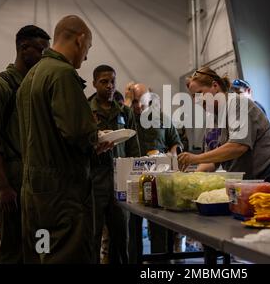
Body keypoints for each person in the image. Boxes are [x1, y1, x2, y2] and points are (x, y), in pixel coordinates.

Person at [16, 15, 113, 264]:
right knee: (67, 256)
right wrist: (97, 140)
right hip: (63, 193)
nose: (87, 57)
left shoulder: (30, 76)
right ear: (80, 40)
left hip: (35, 192)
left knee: (42, 254)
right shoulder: (62, 74)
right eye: (88, 48)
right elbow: (78, 133)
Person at [0, 25, 50, 264]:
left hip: (37, 180)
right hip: (12, 180)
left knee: (41, 243)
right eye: (40, 50)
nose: (43, 56)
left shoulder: (35, 87)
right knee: (13, 247)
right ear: (23, 48)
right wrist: (3, 186)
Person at [178, 67, 270, 182]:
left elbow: (238, 146)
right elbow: (211, 161)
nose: (196, 100)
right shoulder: (212, 120)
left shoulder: (237, 103)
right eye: (193, 96)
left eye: (199, 93)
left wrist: (195, 158)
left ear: (215, 86)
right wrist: (192, 180)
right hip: (250, 179)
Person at [124, 82, 182, 261]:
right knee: (132, 230)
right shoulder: (125, 118)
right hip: (131, 181)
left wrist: (171, 156)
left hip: (158, 181)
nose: (139, 106)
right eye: (135, 102)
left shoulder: (162, 119)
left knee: (159, 229)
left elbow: (176, 142)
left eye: (143, 101)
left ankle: (159, 265)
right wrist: (127, 102)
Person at [88, 65, 140, 264]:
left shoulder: (125, 112)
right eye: (104, 82)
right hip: (94, 182)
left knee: (121, 238)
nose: (109, 86)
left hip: (120, 183)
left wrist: (134, 178)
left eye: (112, 82)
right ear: (94, 83)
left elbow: (133, 148)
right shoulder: (85, 109)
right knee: (92, 236)